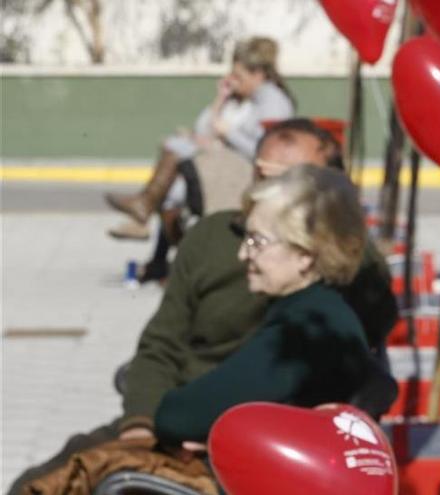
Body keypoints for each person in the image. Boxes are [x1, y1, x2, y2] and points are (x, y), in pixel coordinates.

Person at [6, 119, 398, 494]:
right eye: (265, 174)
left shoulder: (313, 315)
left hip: (226, 448)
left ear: (308, 245)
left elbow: (208, 406)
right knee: (50, 473)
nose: (246, 252)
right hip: (179, 424)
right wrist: (140, 424)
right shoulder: (214, 241)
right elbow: (160, 345)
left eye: (293, 182)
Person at [154, 165, 372, 446]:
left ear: (305, 254)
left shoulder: (303, 331)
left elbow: (178, 417)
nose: (243, 253)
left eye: (256, 241)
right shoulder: (322, 310)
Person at [105, 36, 295, 241]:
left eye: (239, 77)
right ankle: (149, 226)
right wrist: (221, 99)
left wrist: (227, 134)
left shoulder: (272, 103)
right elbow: (204, 127)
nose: (233, 81)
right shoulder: (248, 100)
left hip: (241, 173)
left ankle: (145, 211)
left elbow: (263, 151)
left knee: (176, 159)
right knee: (174, 184)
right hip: (223, 165)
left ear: (257, 75)